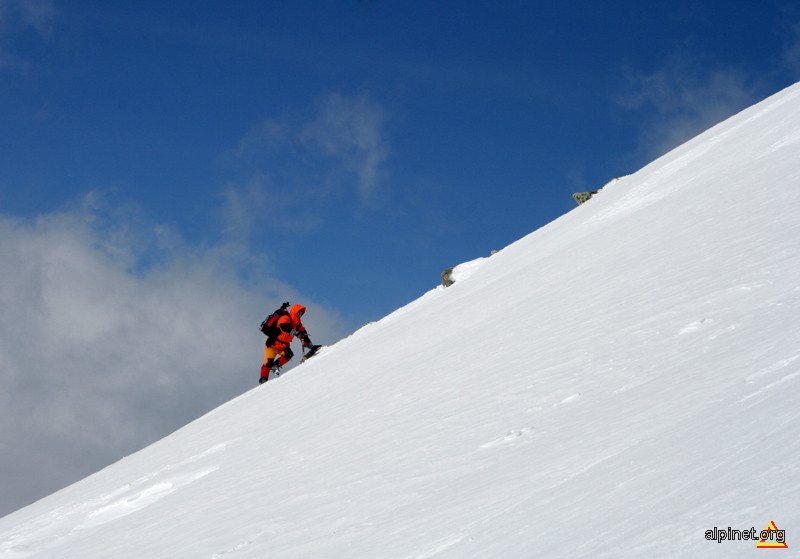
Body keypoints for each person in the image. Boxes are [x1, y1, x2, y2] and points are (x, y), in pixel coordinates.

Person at [259, 303, 317, 384]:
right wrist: (296, 333)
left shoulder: (298, 324)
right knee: (268, 361)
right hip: (273, 344)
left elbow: (304, 336)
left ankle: (275, 366)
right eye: (299, 312)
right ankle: (263, 379)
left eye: (301, 313)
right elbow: (284, 327)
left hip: (283, 345)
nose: (300, 314)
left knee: (289, 355)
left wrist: (310, 346)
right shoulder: (286, 317)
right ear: (295, 311)